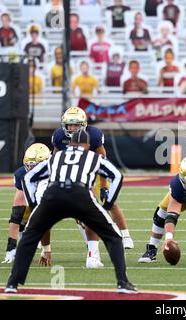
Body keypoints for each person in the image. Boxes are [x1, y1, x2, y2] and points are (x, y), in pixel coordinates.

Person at [5, 130, 137, 294]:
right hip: (80, 195)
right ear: (88, 146)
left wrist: (33, 204)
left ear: (70, 144)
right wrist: (108, 203)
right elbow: (117, 176)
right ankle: (122, 283)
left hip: (54, 195)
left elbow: (28, 178)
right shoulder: (93, 157)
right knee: (114, 237)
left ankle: (12, 283)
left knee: (29, 237)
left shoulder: (56, 157)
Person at [51, 107, 135, 267]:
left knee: (109, 202)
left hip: (93, 171)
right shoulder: (59, 136)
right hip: (73, 175)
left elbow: (103, 158)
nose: (72, 128)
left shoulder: (94, 135)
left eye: (76, 125)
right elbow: (55, 158)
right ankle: (90, 245)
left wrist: (103, 185)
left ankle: (125, 236)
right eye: (69, 125)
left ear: (84, 124)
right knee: (78, 211)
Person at [2, 143, 51, 265]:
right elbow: (16, 213)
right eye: (29, 166)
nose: (30, 169)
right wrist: (11, 247)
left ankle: (92, 252)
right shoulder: (22, 174)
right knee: (21, 215)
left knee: (82, 219)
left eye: (34, 166)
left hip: (61, 196)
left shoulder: (58, 171)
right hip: (39, 200)